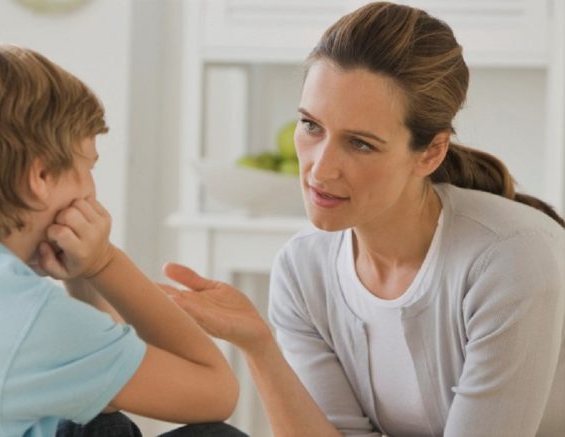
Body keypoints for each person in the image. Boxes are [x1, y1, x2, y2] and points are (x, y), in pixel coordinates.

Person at [160, 2, 565, 436]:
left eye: (360, 144)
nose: (320, 169)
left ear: (430, 152)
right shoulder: (303, 269)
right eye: (311, 126)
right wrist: (259, 346)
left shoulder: (507, 260)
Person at [0, 39, 246, 437]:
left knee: (100, 420)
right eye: (88, 166)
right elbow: (216, 391)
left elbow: (102, 388)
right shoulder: (30, 320)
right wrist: (103, 263)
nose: (92, 191)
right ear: (39, 179)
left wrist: (77, 277)